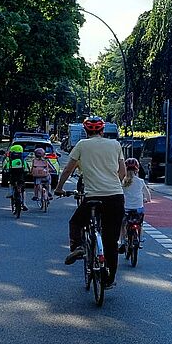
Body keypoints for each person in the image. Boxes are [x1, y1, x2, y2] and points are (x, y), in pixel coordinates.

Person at [56, 116, 128, 285]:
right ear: (103, 131)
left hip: (93, 197)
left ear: (86, 131)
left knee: (76, 222)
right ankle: (109, 279)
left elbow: (67, 169)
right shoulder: (115, 144)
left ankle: (78, 247)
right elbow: (122, 172)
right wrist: (112, 184)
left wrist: (59, 188)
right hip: (115, 197)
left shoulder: (81, 145)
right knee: (111, 241)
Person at [122, 158, 153, 251]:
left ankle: (123, 241)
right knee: (140, 223)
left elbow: (120, 194)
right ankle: (140, 238)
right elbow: (148, 196)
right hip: (138, 208)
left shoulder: (123, 182)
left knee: (122, 224)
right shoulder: (140, 181)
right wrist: (146, 200)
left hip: (126, 208)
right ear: (137, 170)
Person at [4, 143, 27, 208]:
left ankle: (10, 193)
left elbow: (6, 168)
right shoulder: (22, 161)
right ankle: (24, 203)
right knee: (23, 190)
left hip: (13, 176)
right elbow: (26, 168)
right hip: (20, 176)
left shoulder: (10, 161)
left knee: (11, 184)